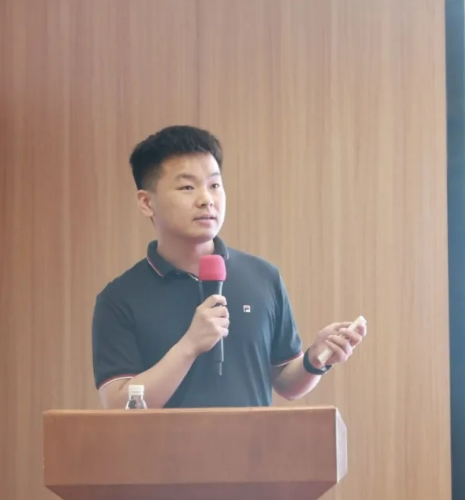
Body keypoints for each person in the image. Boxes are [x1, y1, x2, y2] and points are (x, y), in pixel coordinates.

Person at [91, 125, 366, 409]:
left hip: (253, 440)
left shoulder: (263, 277)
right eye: (187, 187)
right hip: (168, 441)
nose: (206, 200)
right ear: (147, 202)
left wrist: (315, 359)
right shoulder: (120, 298)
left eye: (214, 185)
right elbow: (119, 404)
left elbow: (286, 382)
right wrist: (189, 346)